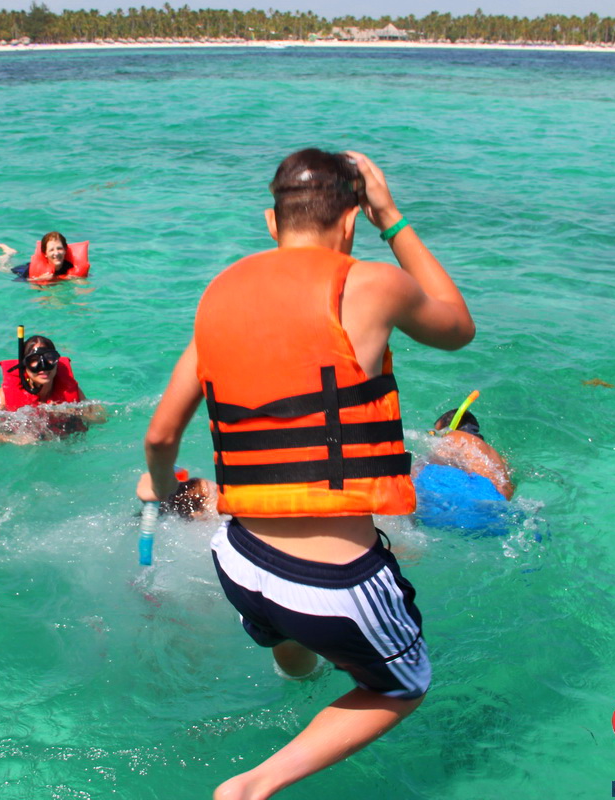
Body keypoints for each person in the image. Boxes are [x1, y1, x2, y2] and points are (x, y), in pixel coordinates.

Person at [140, 148, 475, 799]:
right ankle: (254, 785)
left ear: (272, 222)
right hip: (334, 586)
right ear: (350, 222)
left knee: (291, 646)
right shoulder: (373, 283)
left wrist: (157, 483)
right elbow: (458, 327)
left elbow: (160, 435)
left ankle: (293, 657)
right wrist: (393, 217)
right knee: (404, 683)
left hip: (236, 561)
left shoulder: (217, 299)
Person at [0, 334, 105, 443]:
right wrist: (13, 439)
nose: (43, 366)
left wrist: (76, 412)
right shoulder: (4, 396)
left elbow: (100, 419)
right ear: (24, 366)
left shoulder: (71, 391)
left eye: (49, 358)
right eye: (34, 360)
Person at [413, 407, 513, 532]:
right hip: (497, 516)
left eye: (435, 433)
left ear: (448, 430)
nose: (434, 437)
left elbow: (419, 469)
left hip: (467, 505)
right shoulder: (500, 458)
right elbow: (505, 491)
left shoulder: (456, 437)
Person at [0, 231, 90, 282]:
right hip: (25, 270)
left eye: (59, 248)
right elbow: (18, 281)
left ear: (65, 250)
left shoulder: (71, 267)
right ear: (45, 253)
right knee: (3, 268)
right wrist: (38, 280)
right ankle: (9, 253)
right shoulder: (33, 271)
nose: (56, 253)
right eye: (51, 250)